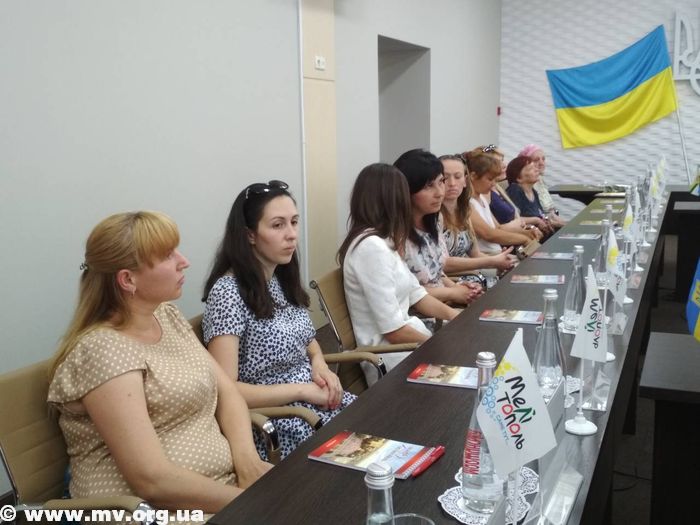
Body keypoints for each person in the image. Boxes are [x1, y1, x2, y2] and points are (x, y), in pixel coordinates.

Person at [48, 211, 271, 514]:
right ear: (128, 280)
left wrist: (248, 462)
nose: (184, 261)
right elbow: (152, 481)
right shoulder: (103, 350)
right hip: (148, 511)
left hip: (220, 489)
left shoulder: (166, 315)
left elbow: (227, 391)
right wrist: (252, 503)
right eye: (168, 255)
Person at [202, 181, 355, 460]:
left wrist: (319, 364)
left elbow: (308, 340)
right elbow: (226, 390)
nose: (292, 235)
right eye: (277, 225)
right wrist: (303, 391)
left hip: (314, 403)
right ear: (249, 235)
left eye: (294, 222)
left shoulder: (278, 279)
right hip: (281, 421)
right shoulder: (227, 293)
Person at [338, 163, 460, 378]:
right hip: (392, 358)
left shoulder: (383, 240)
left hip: (409, 347)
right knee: (472, 367)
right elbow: (394, 331)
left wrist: (455, 316)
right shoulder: (371, 247)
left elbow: (416, 293)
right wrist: (440, 345)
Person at [394, 149, 483, 307]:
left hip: (444, 305)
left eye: (441, 182)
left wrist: (459, 289)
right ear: (407, 189)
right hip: (422, 315)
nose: (440, 193)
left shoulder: (434, 220)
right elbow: (407, 293)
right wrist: (454, 293)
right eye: (429, 186)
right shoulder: (395, 234)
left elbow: (437, 273)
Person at [439, 154, 515, 277]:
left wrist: (501, 262)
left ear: (465, 180)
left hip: (473, 275)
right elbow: (444, 264)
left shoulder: (464, 210)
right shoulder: (435, 216)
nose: (452, 183)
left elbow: (475, 254)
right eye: (445, 178)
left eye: (457, 177)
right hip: (456, 279)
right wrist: (493, 261)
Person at [464, 151, 533, 254]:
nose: (493, 184)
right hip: (488, 256)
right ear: (473, 176)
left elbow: (497, 228)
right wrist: (524, 238)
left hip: (497, 253)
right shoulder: (468, 203)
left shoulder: (482, 198)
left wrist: (527, 233)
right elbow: (489, 234)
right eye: (490, 179)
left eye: (495, 180)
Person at [505, 156, 561, 236]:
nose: (537, 170)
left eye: (535, 167)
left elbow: (541, 215)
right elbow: (512, 219)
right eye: (530, 169)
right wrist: (536, 220)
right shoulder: (515, 190)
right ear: (519, 178)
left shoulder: (533, 192)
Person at [519, 144, 566, 228]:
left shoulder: (540, 180)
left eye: (543, 159)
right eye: (536, 160)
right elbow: (538, 216)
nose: (541, 163)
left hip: (551, 220)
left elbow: (550, 212)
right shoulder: (526, 185)